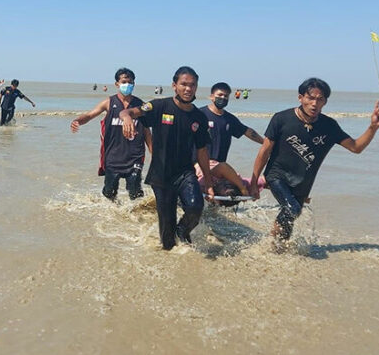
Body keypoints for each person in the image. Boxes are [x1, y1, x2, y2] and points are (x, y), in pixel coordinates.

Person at [249, 77, 379, 245]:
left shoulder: (329, 126)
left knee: (291, 215)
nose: (314, 103)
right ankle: (272, 245)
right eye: (310, 98)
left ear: (325, 102)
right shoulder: (281, 119)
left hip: (303, 182)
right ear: (300, 98)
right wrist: (254, 181)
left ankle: (275, 247)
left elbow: (356, 147)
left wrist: (373, 127)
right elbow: (264, 150)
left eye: (319, 99)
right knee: (292, 209)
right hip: (277, 175)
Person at [120, 66, 214, 250]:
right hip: (161, 176)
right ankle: (170, 244)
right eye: (183, 84)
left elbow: (202, 151)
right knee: (167, 242)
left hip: (185, 173)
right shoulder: (159, 106)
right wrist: (127, 119)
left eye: (192, 85)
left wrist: (209, 181)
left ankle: (183, 230)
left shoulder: (199, 117)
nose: (188, 89)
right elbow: (129, 112)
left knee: (196, 207)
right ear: (174, 85)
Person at [71, 68, 153, 201]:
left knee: (135, 192)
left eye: (130, 82)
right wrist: (78, 121)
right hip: (113, 155)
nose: (127, 85)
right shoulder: (109, 103)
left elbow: (147, 133)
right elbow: (89, 115)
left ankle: (136, 220)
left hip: (135, 156)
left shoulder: (140, 106)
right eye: (124, 81)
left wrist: (154, 155)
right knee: (109, 193)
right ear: (117, 84)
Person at [196, 82, 265, 200]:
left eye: (226, 96)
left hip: (221, 169)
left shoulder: (229, 119)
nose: (222, 98)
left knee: (260, 182)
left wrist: (266, 144)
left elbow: (248, 132)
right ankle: (243, 189)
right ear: (211, 96)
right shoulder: (199, 114)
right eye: (220, 95)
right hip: (200, 165)